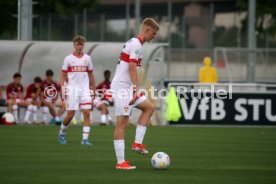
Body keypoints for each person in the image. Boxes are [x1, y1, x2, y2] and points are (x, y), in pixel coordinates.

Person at [111, 18, 159, 169]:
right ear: (146, 31)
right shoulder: (136, 44)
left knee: (149, 107)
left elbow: (132, 67)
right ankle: (120, 163)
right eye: (154, 33)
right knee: (122, 123)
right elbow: (132, 68)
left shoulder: (136, 44)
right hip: (123, 88)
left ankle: (137, 143)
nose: (154, 36)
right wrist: (135, 89)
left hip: (127, 87)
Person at [58, 35, 96, 145]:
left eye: (81, 44)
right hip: (72, 90)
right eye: (77, 44)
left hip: (85, 90)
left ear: (84, 45)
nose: (79, 46)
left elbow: (91, 75)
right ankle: (62, 133)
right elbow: (62, 75)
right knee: (70, 115)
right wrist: (63, 89)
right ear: (74, 45)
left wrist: (93, 89)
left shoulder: (87, 58)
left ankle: (85, 139)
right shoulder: (68, 59)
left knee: (87, 112)